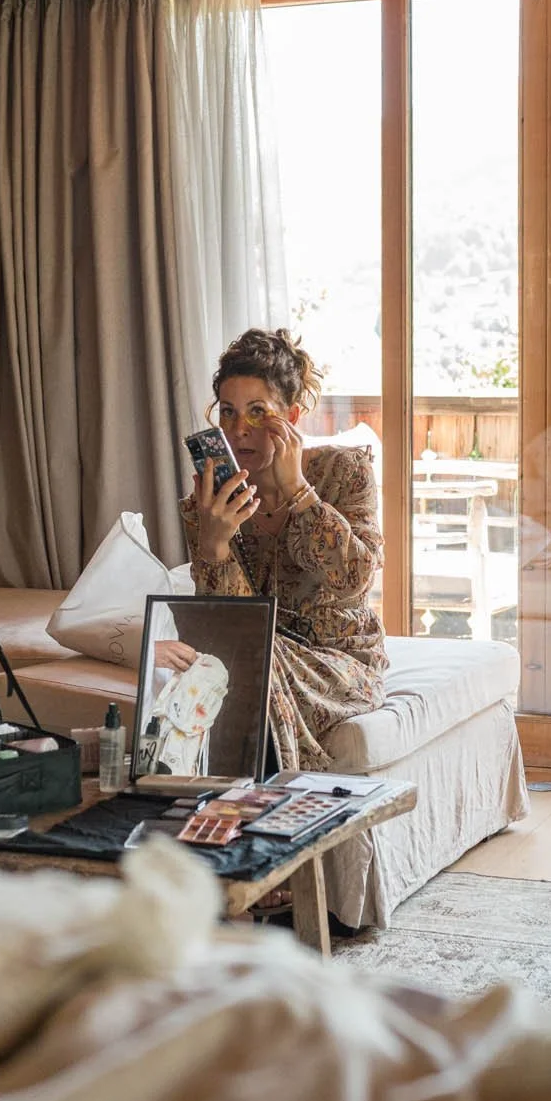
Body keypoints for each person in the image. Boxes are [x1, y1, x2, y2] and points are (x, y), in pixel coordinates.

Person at [181, 328, 385, 772]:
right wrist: (214, 543)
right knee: (232, 657)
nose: (239, 431)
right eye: (229, 413)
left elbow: (354, 582)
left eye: (258, 413)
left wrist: (298, 492)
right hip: (256, 653)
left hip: (341, 662)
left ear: (290, 416)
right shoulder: (210, 504)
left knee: (252, 658)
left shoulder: (342, 472)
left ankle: (273, 798)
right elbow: (228, 626)